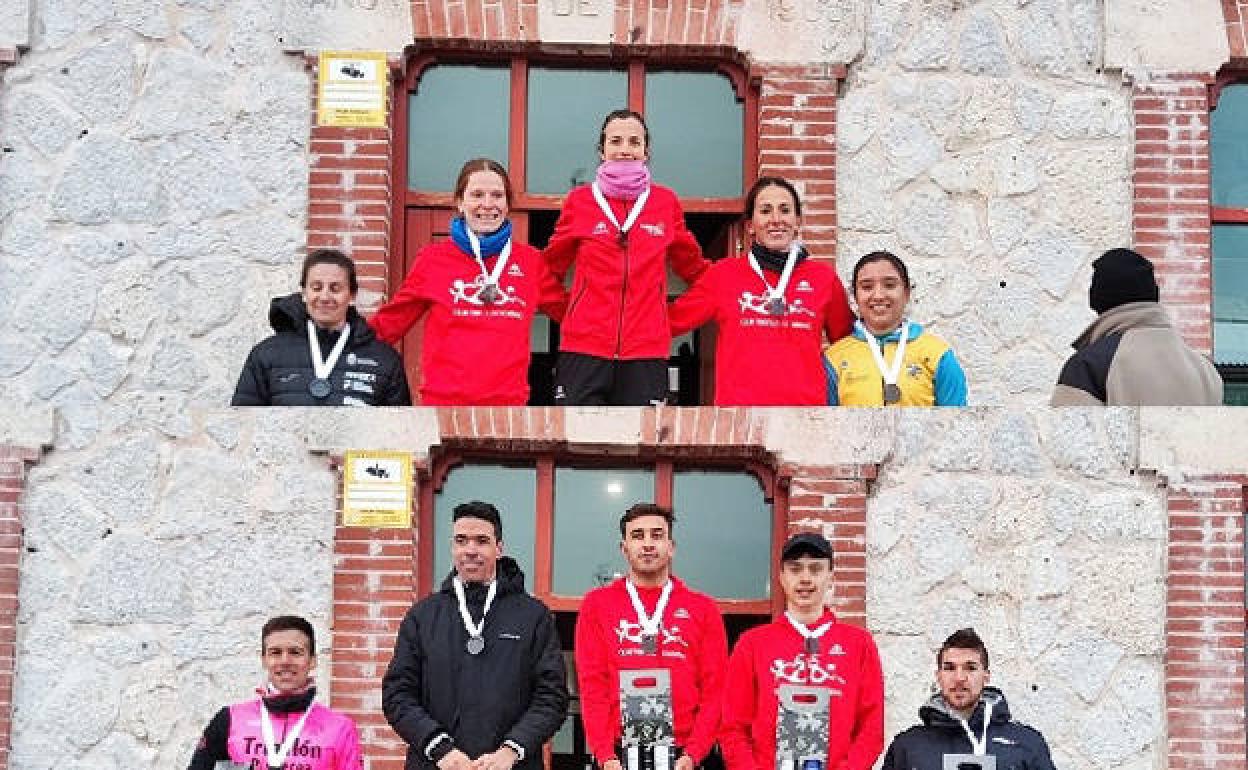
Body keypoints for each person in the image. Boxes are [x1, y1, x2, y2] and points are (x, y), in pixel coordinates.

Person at [383, 501, 569, 770]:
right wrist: (440, 749)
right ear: (452, 547)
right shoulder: (423, 616)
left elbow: (552, 697)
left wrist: (511, 750)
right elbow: (397, 695)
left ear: (499, 548)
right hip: (436, 764)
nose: (470, 550)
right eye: (461, 541)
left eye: (481, 541)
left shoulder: (533, 616)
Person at [368, 159, 568, 405]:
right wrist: (336, 343)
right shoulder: (433, 259)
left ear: (507, 204)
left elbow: (573, 316)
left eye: (497, 195)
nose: (487, 204)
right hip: (443, 408)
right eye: (477, 195)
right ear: (460, 203)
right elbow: (389, 324)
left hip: (508, 411)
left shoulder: (530, 261)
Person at [544, 110, 709, 406]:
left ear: (646, 151)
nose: (625, 149)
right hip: (584, 350)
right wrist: (572, 314)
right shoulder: (580, 202)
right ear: (601, 150)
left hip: (646, 353)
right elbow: (547, 271)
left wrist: (665, 321)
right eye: (615, 141)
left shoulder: (665, 202)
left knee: (641, 448)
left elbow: (699, 273)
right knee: (577, 445)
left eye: (634, 142)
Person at [667, 177, 854, 405]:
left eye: (785, 210)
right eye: (765, 211)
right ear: (750, 226)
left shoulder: (823, 278)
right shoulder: (723, 275)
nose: (776, 220)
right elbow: (668, 322)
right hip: (740, 420)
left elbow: (850, 345)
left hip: (806, 419)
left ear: (797, 222)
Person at [574, 503, 728, 770]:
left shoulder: (703, 609)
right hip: (617, 755)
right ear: (624, 548)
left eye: (657, 535)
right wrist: (604, 755)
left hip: (684, 756)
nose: (647, 544)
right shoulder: (597, 605)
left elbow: (715, 689)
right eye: (638, 536)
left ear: (671, 546)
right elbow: (592, 684)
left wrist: (694, 753)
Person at [720, 533, 884, 770]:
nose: (805, 578)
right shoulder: (752, 644)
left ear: (830, 577)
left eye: (815, 569)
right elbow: (732, 726)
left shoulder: (859, 644)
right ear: (781, 577)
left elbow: (871, 727)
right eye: (795, 569)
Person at [231, 248, 411, 406]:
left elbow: (400, 436)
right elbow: (243, 426)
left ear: (352, 294)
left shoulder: (385, 360)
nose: (325, 297)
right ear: (304, 292)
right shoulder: (266, 355)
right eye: (316, 288)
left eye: (335, 288)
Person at [187, 615, 363, 770]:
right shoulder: (229, 719)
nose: (285, 661)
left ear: (312, 661)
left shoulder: (341, 728)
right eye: (275, 652)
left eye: (295, 652)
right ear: (264, 660)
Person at [1052, 247, 1222, 405]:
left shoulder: (1087, 366)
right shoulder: (1206, 371)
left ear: (1097, 298)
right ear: (1153, 293)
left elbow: (1071, 435)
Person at [881, 628, 1056, 770]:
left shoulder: (1026, 742)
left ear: (986, 677)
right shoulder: (908, 747)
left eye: (970, 668)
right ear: (939, 676)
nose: (959, 677)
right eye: (949, 668)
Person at [823, 251, 967, 406]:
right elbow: (827, 426)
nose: (878, 295)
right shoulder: (834, 359)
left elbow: (956, 424)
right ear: (855, 297)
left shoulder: (938, 354)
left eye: (890, 285)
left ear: (907, 293)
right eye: (867, 287)